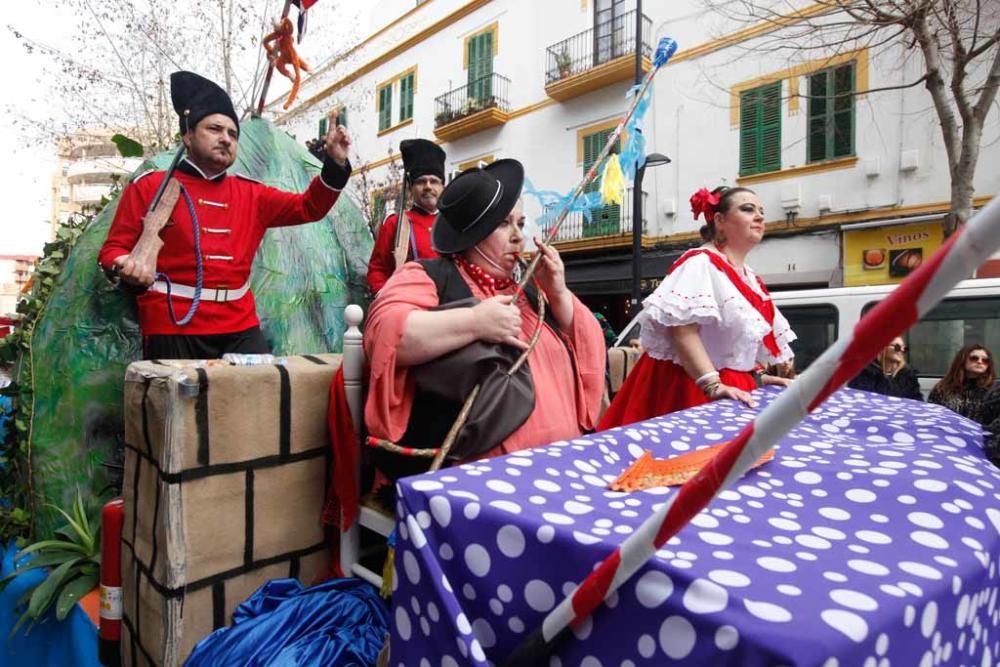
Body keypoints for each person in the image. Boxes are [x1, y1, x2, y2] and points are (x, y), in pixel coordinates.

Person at [364, 160, 605, 465]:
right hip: (485, 478)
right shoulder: (429, 275)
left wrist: (558, 292)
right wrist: (475, 322)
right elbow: (384, 335)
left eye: (520, 222)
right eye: (504, 224)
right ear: (472, 235)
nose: (518, 236)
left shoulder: (531, 292)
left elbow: (590, 344)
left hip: (562, 463)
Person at [98, 71, 353, 359]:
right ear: (188, 136)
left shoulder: (253, 195)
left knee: (260, 398)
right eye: (214, 129)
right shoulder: (150, 187)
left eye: (232, 134)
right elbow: (111, 251)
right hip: (171, 326)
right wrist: (126, 265)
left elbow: (310, 207)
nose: (226, 139)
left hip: (239, 327)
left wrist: (334, 164)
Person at [598, 185, 796, 430]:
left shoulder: (750, 278)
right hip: (690, 389)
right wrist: (712, 385)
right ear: (720, 220)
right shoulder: (699, 264)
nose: (759, 216)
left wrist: (760, 378)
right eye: (748, 209)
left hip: (733, 389)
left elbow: (729, 352)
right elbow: (682, 330)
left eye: (761, 211)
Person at [366, 139, 446, 293]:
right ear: (410, 188)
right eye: (421, 181)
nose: (428, 186)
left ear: (443, 186)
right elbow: (377, 270)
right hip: (410, 306)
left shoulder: (454, 224)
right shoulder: (395, 224)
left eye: (434, 181)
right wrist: (386, 296)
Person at [928, 345, 996, 423]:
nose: (980, 362)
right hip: (948, 431)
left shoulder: (994, 390)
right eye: (974, 358)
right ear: (962, 360)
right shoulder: (943, 388)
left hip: (981, 433)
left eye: (985, 360)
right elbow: (932, 415)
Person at [847, 337, 923, 400]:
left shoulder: (907, 375)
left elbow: (917, 401)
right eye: (897, 347)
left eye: (904, 348)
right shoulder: (864, 373)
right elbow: (862, 400)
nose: (902, 350)